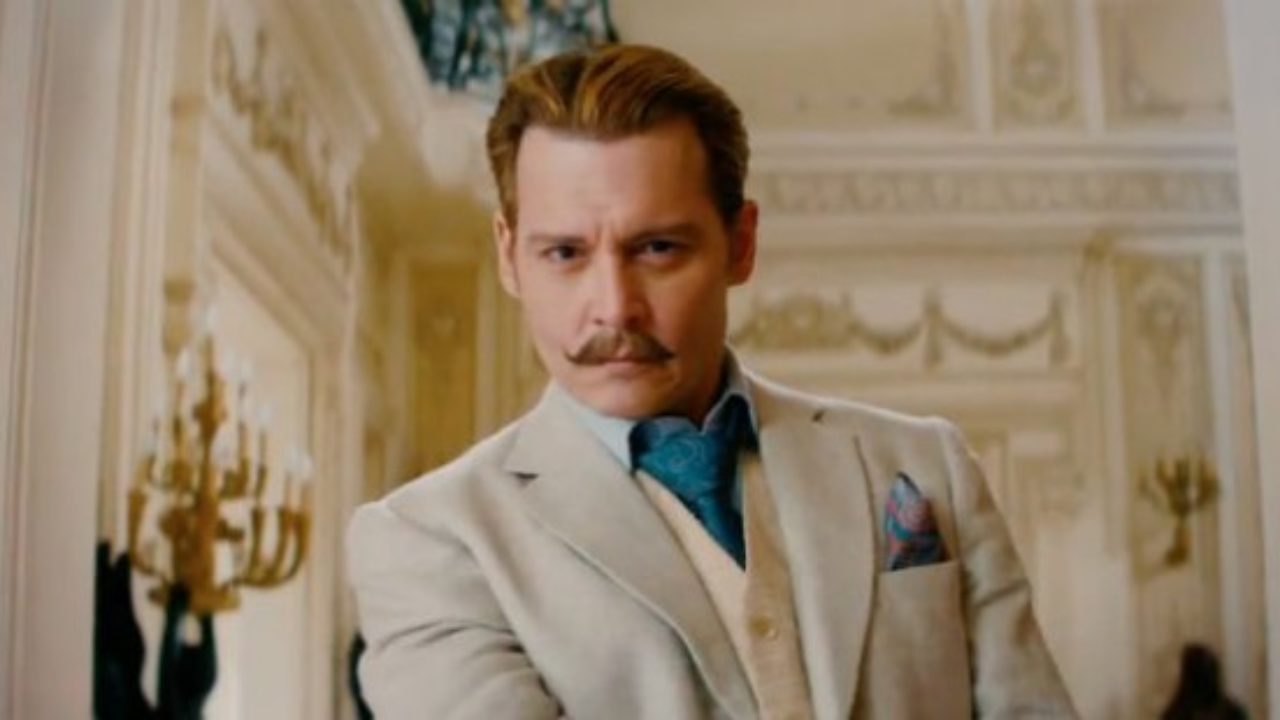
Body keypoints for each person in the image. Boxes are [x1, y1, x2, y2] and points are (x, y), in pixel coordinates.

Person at [347, 43, 1076, 719]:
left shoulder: (925, 466)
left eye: (657, 248)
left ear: (740, 243)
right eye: (565, 253)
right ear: (510, 257)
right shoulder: (428, 544)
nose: (615, 307)